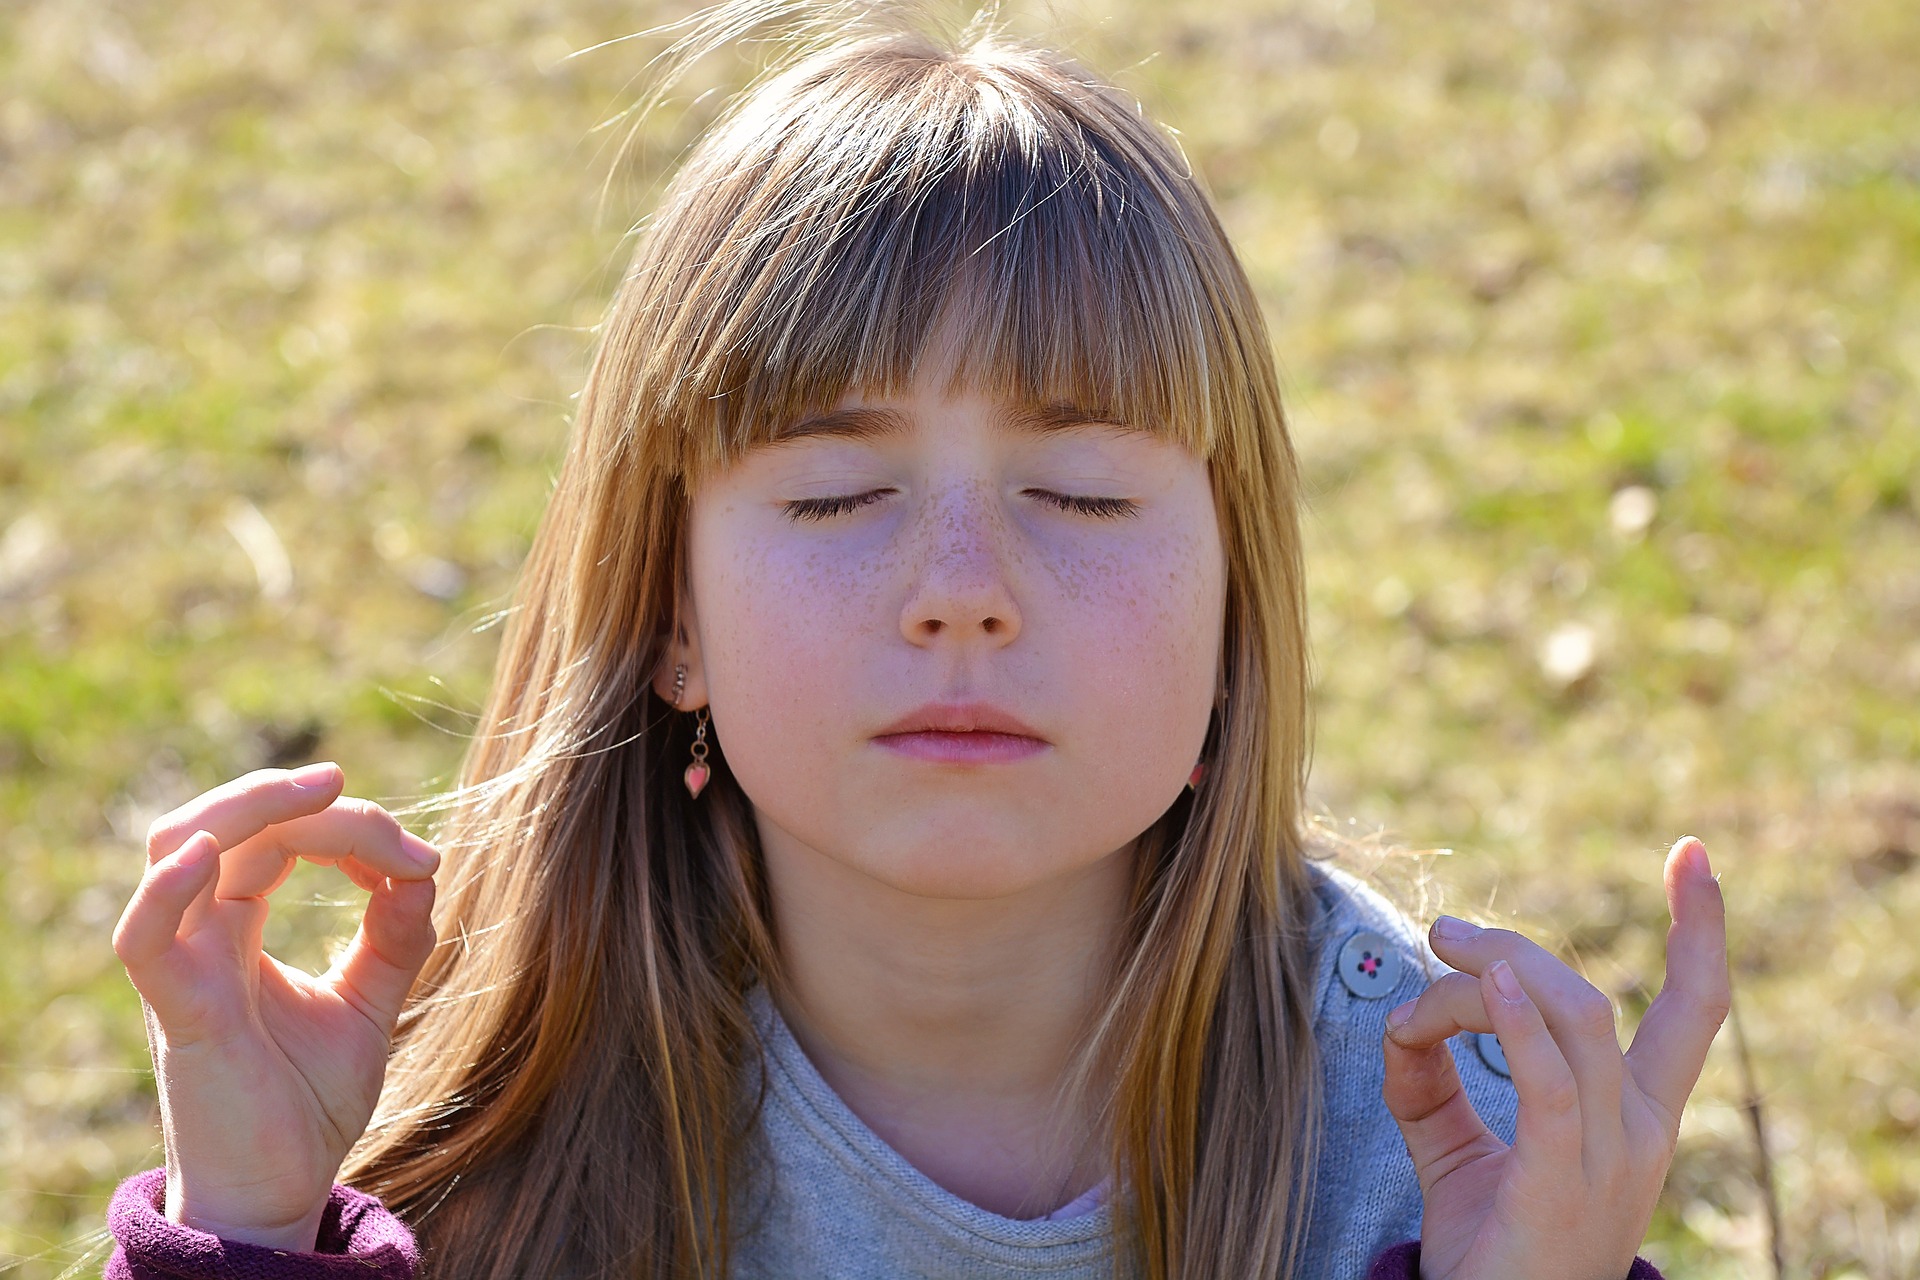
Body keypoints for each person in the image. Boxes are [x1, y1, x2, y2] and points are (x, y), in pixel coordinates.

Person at [104, 6, 1729, 1277]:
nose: (962, 588)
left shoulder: (1446, 1146)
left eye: (1081, 493)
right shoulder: (450, 1130)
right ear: (670, 611)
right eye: (836, 495)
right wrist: (250, 1229)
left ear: (1242, 604)